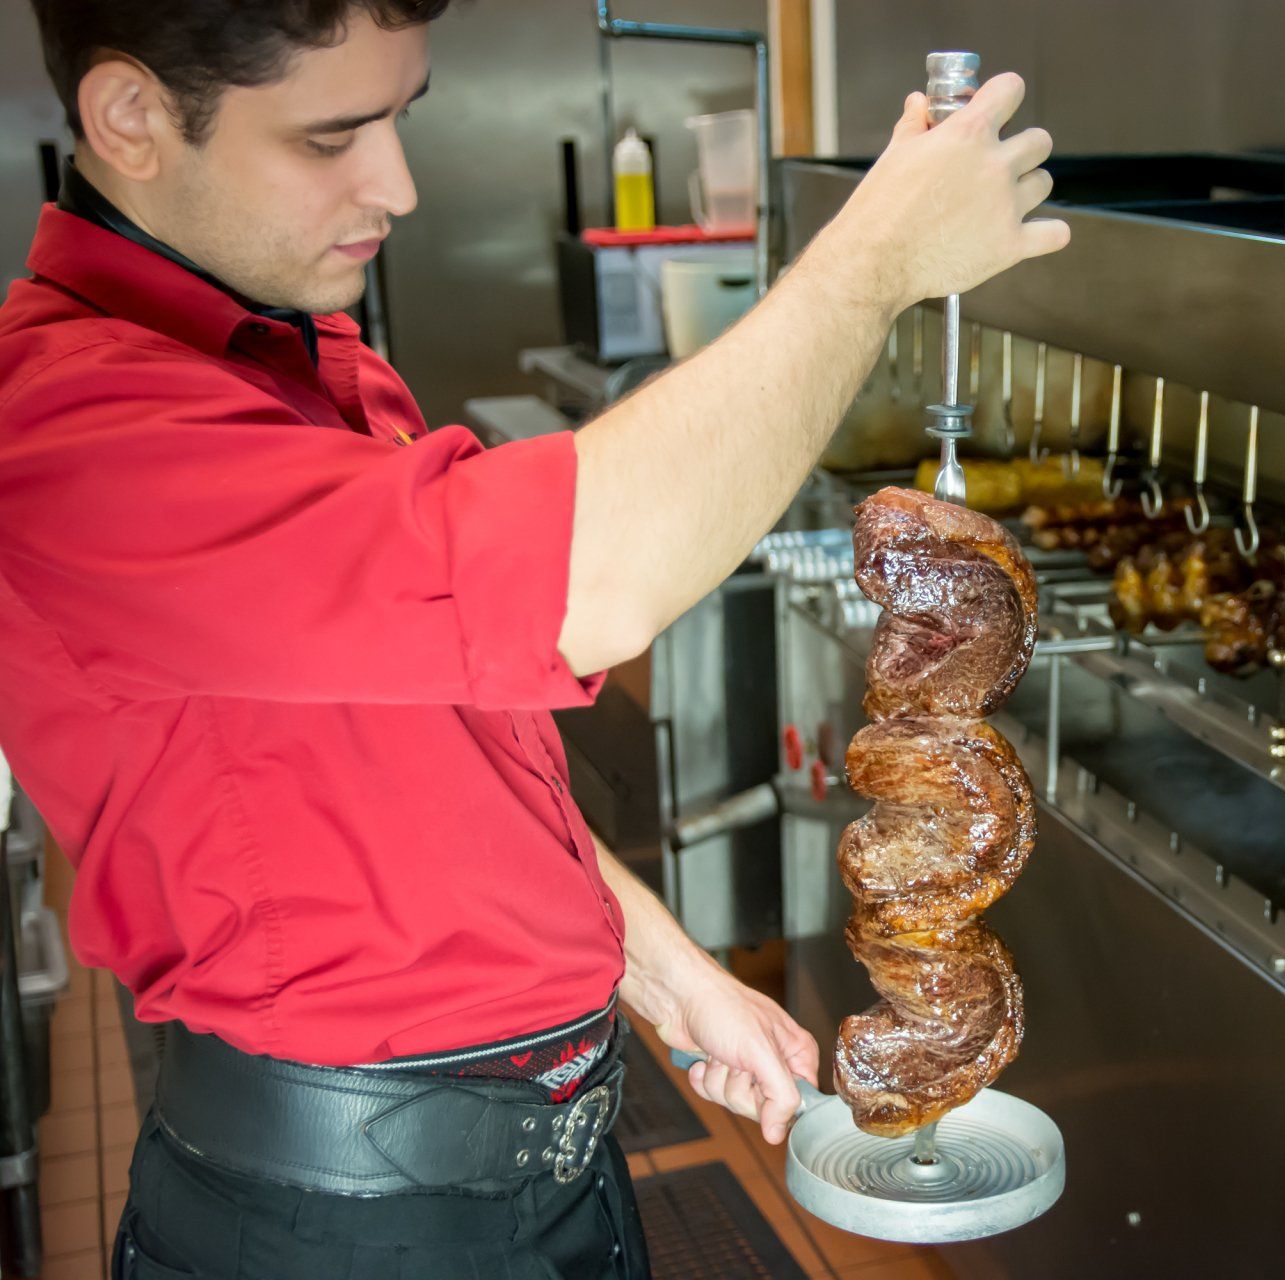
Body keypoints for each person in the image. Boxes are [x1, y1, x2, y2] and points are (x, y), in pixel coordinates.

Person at [0, 2, 1066, 1275]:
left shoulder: (311, 360)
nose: (393, 183)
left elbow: (445, 772)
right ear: (130, 119)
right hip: (333, 1230)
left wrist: (669, 975)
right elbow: (591, 585)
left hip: (549, 1181)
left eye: (402, 116)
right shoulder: (69, 434)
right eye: (332, 135)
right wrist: (873, 263)